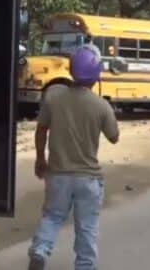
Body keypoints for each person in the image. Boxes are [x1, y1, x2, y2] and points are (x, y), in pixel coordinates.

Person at [28, 45, 120, 270]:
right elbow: (114, 137)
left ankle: (40, 250)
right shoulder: (101, 106)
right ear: (96, 74)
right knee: (87, 226)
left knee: (51, 215)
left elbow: (41, 130)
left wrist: (41, 159)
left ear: (71, 69)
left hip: (58, 174)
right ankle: (85, 266)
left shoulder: (53, 96)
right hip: (88, 178)